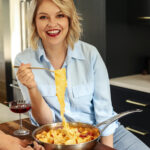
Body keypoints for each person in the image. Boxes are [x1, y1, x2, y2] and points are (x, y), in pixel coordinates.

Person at [14, 0, 150, 149]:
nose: (52, 24)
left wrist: (105, 147)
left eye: (60, 15)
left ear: (70, 19)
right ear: (34, 22)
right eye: (43, 17)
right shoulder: (24, 61)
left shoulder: (90, 54)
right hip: (57, 138)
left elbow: (104, 110)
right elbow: (45, 122)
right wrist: (32, 87)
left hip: (104, 131)